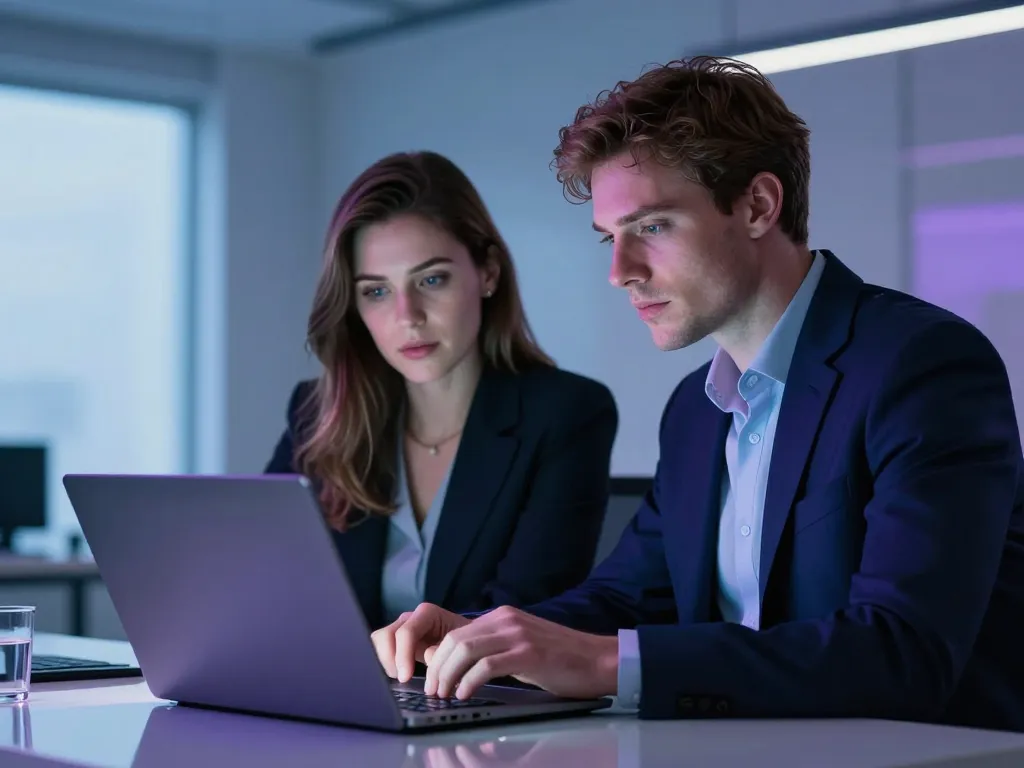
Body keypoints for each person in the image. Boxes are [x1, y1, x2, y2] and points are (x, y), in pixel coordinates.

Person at [370, 58, 1024, 731]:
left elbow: (902, 653)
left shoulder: (920, 365)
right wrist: (471, 636)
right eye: (609, 238)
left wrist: (605, 665)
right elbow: (627, 598)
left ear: (757, 206)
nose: (619, 272)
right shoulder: (695, 409)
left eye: (651, 227)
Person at [265, 150, 618, 631]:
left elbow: (527, 616)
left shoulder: (566, 413)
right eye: (376, 291)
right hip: (335, 694)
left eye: (432, 279)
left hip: (483, 694)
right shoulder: (317, 413)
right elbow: (263, 586)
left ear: (487, 273)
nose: (407, 316)